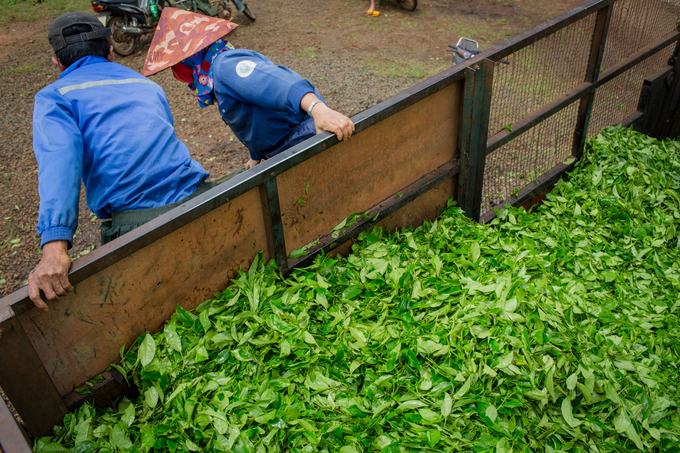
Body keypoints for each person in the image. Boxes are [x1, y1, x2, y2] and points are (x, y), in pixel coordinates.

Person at [28, 12, 213, 310]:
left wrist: (54, 244)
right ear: (111, 52)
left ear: (57, 62)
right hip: (200, 196)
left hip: (136, 223)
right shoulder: (146, 84)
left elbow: (59, 163)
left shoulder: (55, 97)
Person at [142, 7, 355, 170]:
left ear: (188, 61)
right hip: (278, 149)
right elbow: (251, 116)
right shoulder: (215, 73)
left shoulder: (225, 66)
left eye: (176, 67)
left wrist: (319, 110)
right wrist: (255, 156)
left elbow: (274, 82)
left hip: (299, 140)